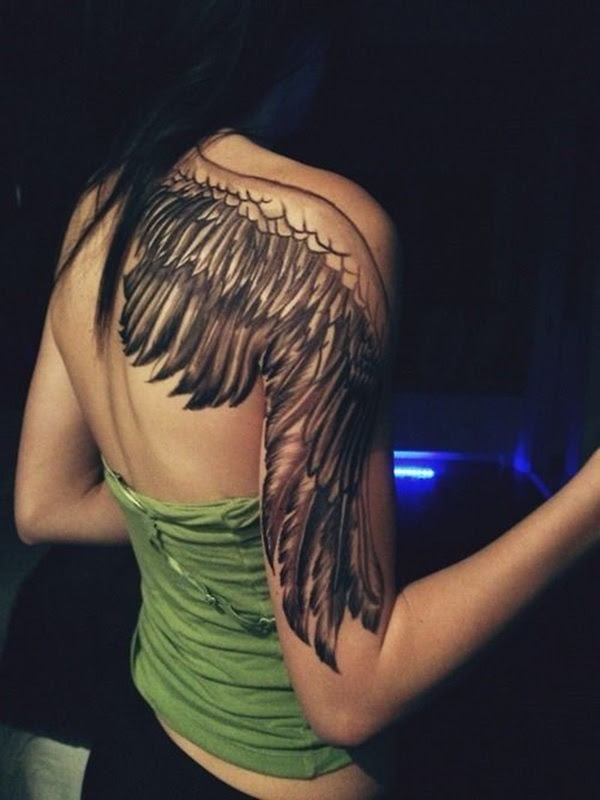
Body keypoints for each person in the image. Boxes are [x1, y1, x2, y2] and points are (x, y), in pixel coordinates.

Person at [13, 2, 600, 798]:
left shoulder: (103, 203)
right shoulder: (324, 241)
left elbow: (43, 504)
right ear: (296, 32)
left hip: (139, 745)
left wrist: (207, 507)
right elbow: (352, 697)